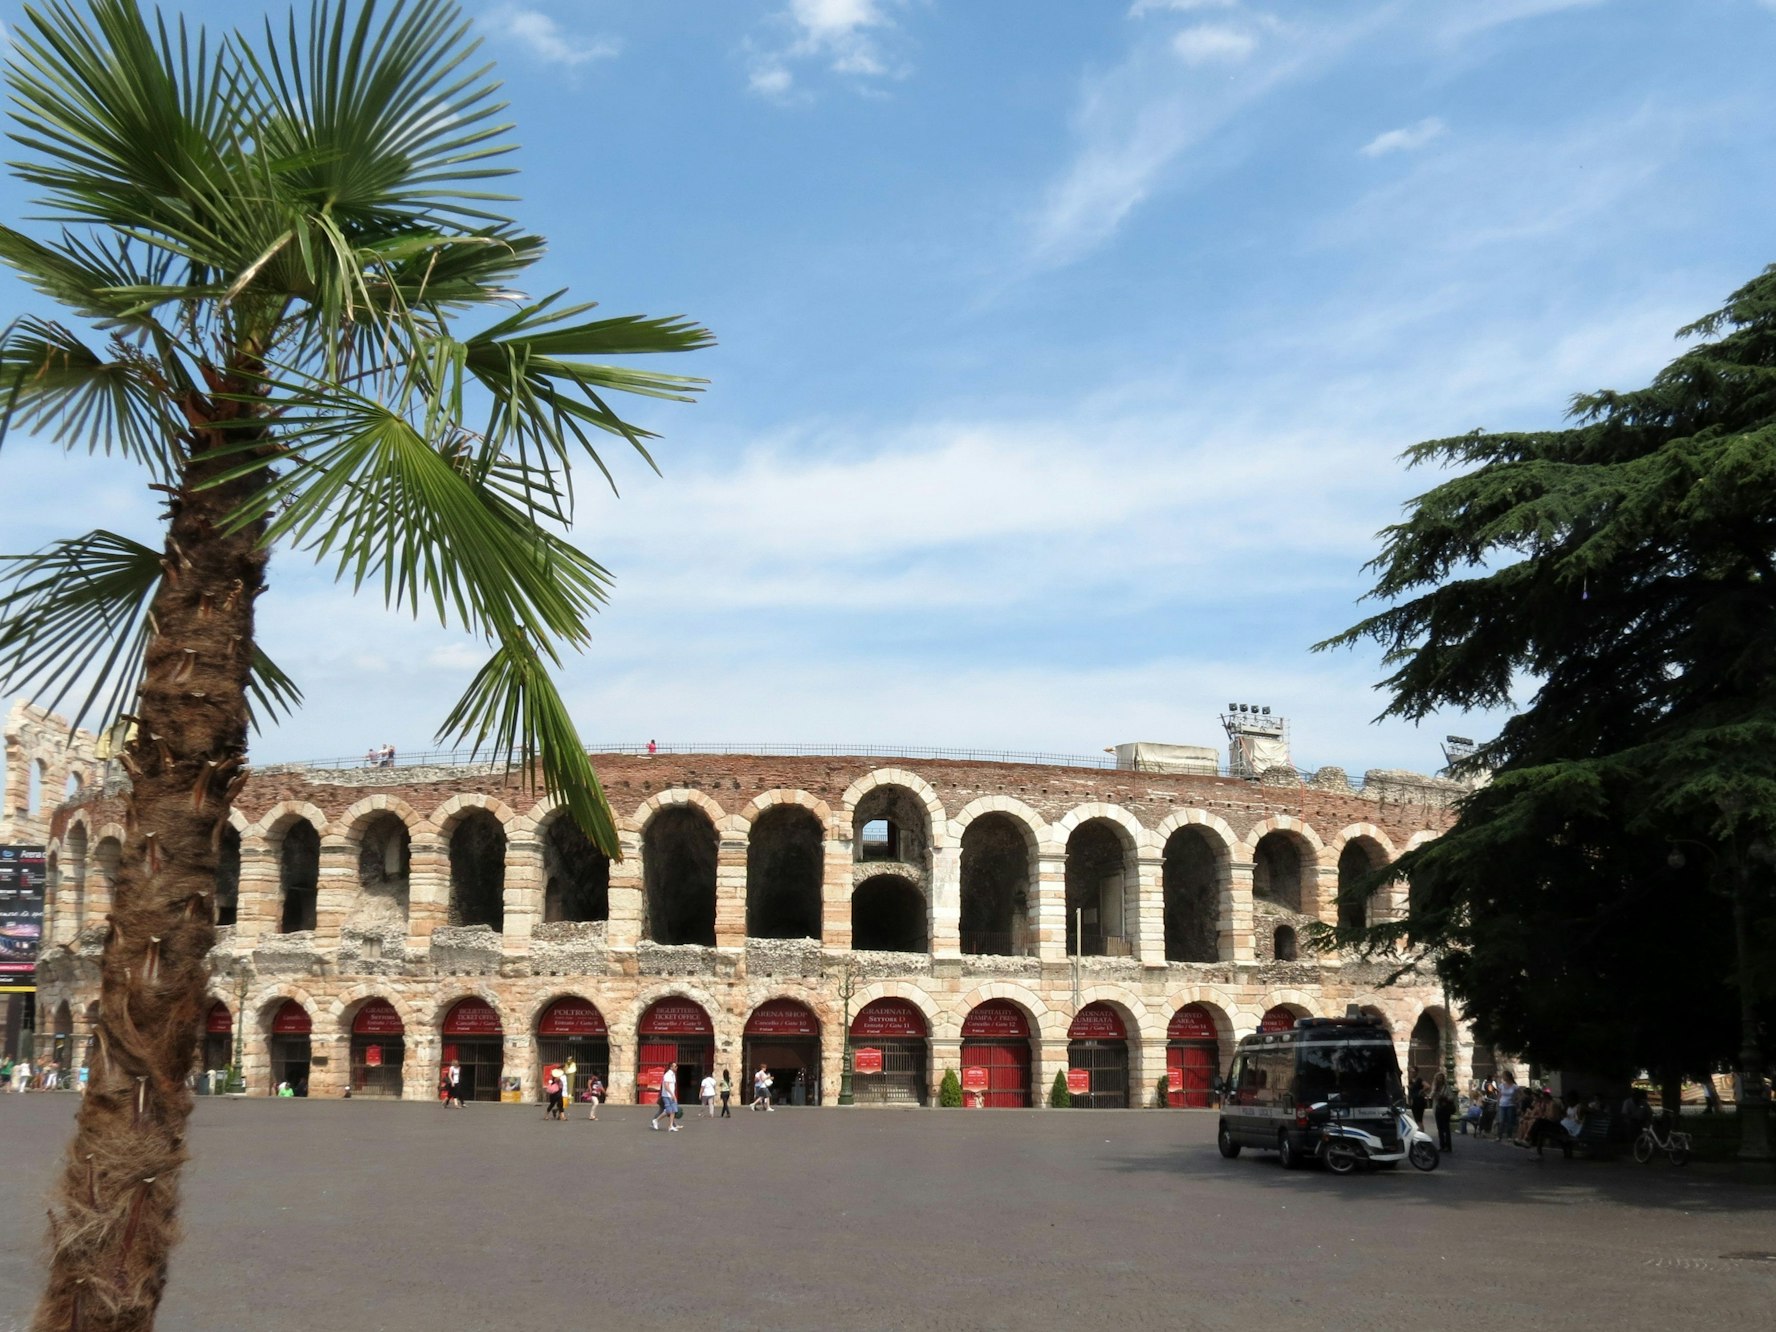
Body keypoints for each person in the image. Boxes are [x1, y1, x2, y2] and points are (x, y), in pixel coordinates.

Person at [650, 1062, 680, 1131]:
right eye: (675, 1066)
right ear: (671, 1067)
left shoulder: (673, 1075)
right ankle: (656, 1120)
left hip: (671, 1095)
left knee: (673, 1110)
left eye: (676, 1066)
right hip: (667, 1095)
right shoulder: (667, 1075)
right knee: (669, 1111)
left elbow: (672, 1086)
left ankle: (670, 1126)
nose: (676, 1067)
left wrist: (673, 1095)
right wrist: (672, 1095)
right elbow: (666, 1086)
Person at [1431, 1071, 1456, 1152]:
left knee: (1446, 1128)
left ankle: (1448, 1146)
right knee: (1440, 1129)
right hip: (1438, 1109)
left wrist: (1444, 1097)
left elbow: (1452, 1097)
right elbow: (1431, 1096)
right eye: (1438, 1078)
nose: (1439, 1080)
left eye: (1441, 1078)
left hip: (1445, 1110)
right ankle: (1442, 1145)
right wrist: (1434, 1091)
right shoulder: (1435, 1087)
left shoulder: (1446, 1087)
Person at [1496, 1071, 1519, 1141]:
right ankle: (1499, 1136)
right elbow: (1499, 1095)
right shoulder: (1501, 1085)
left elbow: (1520, 1095)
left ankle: (1509, 1136)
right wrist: (1498, 1101)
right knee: (1501, 1120)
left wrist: (1516, 1101)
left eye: (1504, 1076)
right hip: (1502, 1105)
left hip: (1510, 1105)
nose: (1503, 1077)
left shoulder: (1514, 1086)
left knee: (1510, 1121)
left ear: (1508, 1077)